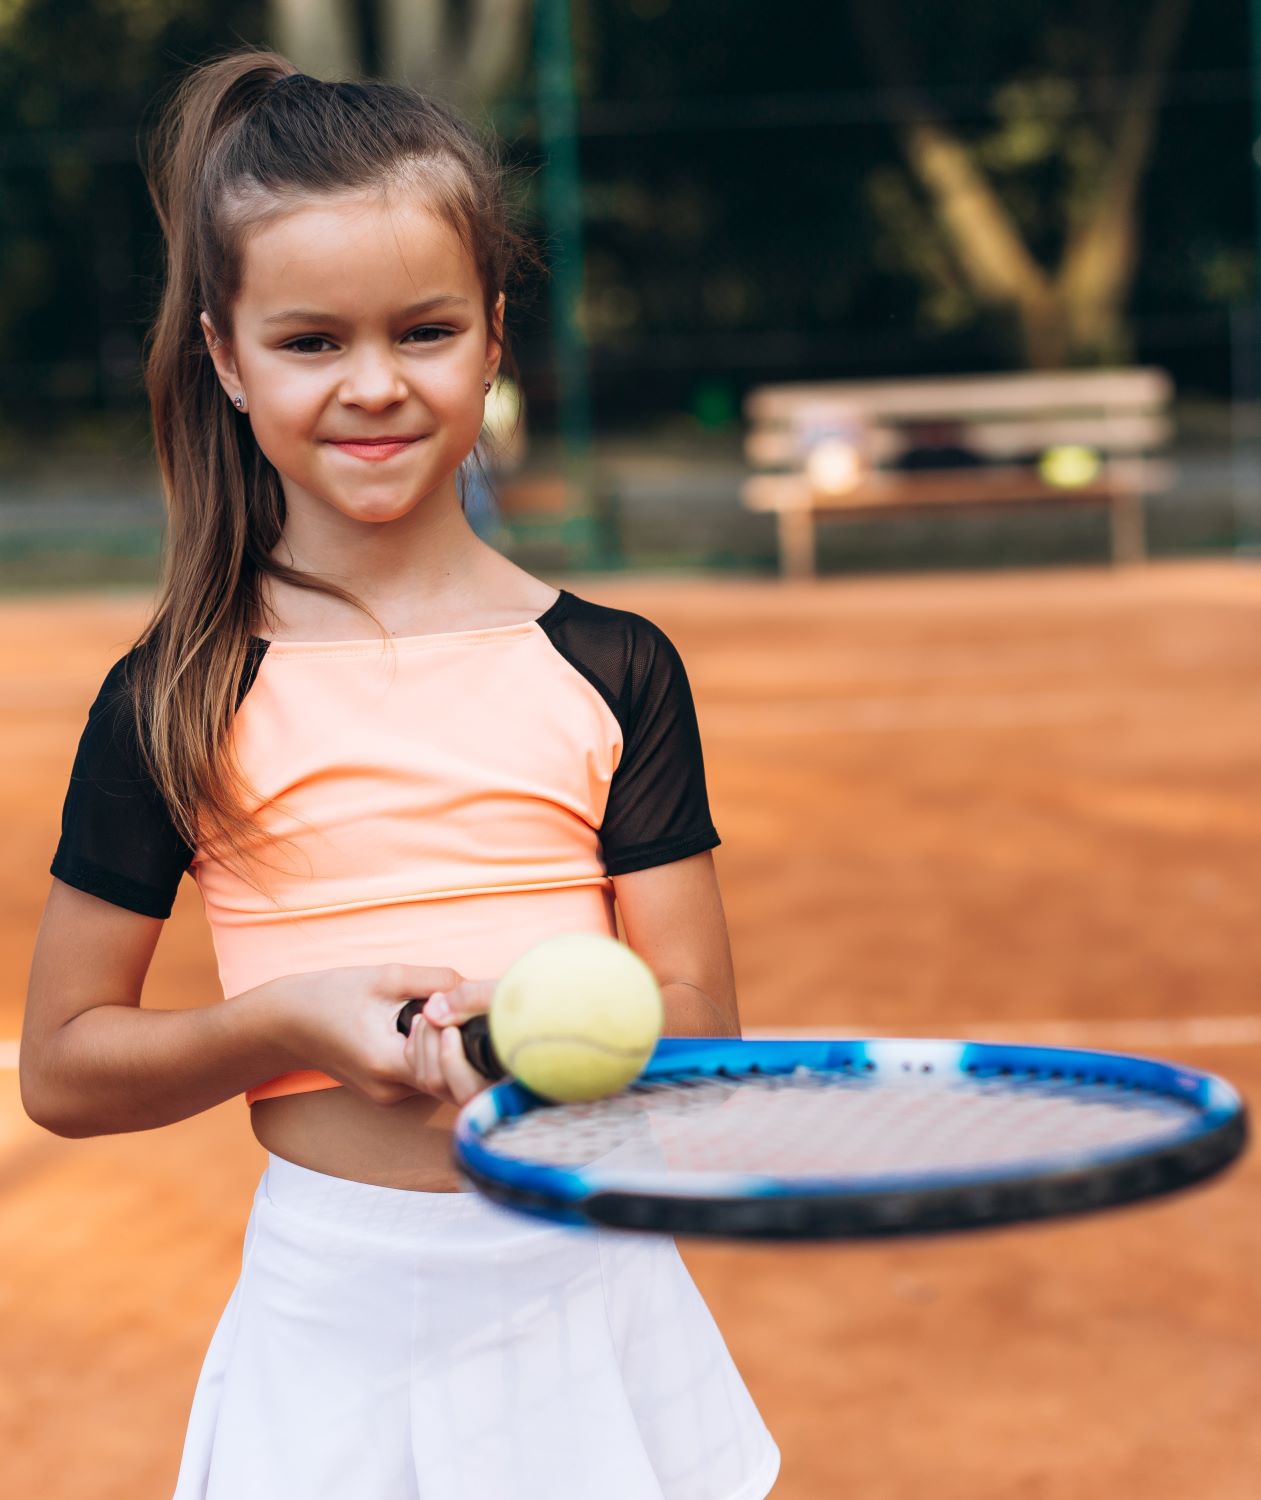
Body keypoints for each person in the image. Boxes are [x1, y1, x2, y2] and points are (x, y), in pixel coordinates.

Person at [19, 50, 780, 1500]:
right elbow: (63, 1066)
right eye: (310, 341)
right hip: (332, 1315)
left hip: (585, 1287)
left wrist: (545, 1039)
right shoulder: (176, 695)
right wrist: (282, 1022)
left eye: (424, 331)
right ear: (226, 358)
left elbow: (700, 1026)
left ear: (492, 340)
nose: (373, 385)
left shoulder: (616, 666)